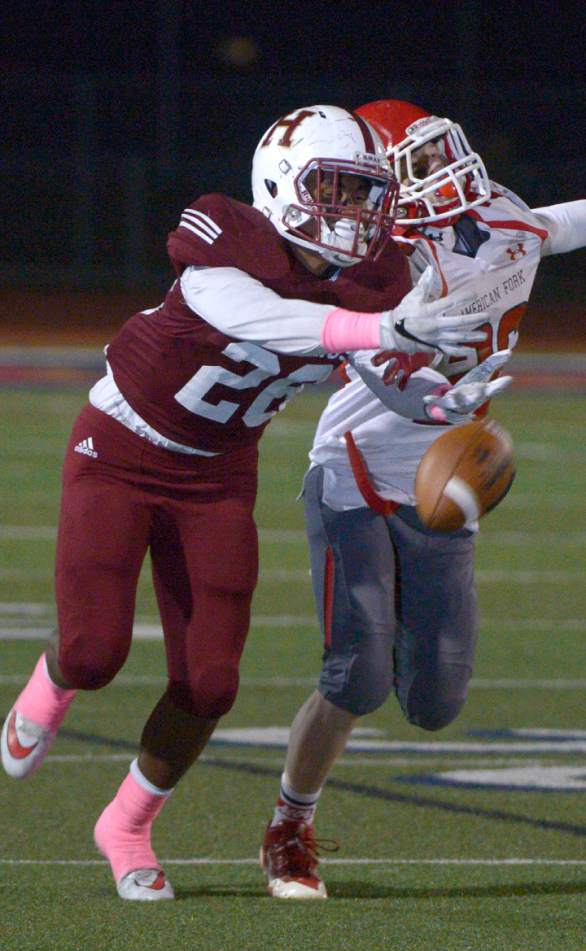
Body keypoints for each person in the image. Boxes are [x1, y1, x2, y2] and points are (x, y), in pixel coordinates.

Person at [0, 105, 491, 901]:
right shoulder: (225, 246)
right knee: (95, 651)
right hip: (118, 451)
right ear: (280, 184)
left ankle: (125, 823)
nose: (351, 214)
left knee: (212, 682)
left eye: (364, 195)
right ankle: (51, 685)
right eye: (331, 189)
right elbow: (270, 319)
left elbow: (369, 367)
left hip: (217, 474)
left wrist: (434, 401)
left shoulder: (370, 287)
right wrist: (384, 329)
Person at [260, 98, 586, 900]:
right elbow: (397, 386)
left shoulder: (504, 218)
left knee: (436, 702)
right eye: (420, 162)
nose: (445, 174)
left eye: (442, 155)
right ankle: (288, 829)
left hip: (442, 487)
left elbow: (559, 222)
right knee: (357, 677)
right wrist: (450, 411)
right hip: (358, 473)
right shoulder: (368, 264)